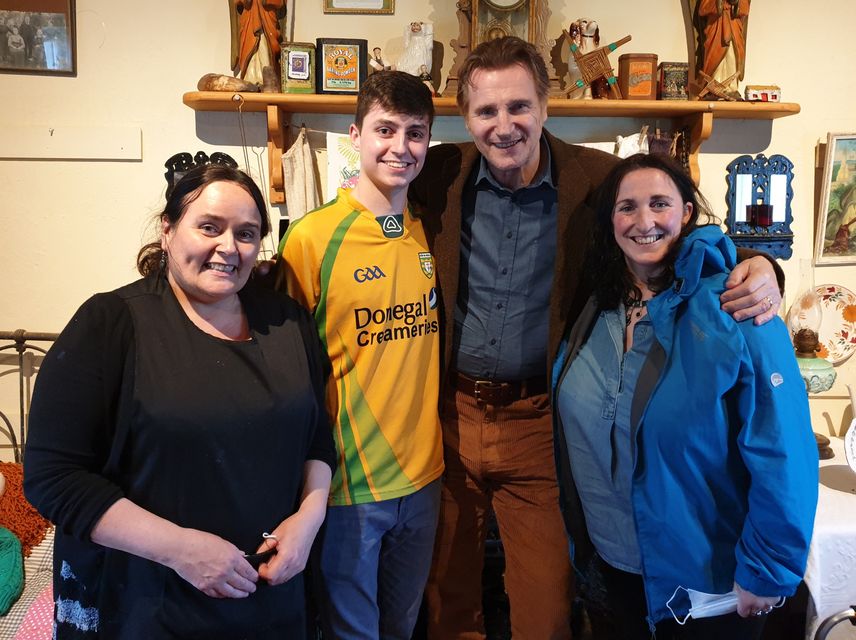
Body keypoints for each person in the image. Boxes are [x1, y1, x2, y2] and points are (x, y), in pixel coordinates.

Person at [407, 35, 784, 639]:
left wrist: (761, 264)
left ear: (545, 105)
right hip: (446, 417)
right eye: (486, 111)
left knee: (549, 609)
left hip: (540, 420)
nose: (504, 126)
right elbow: (369, 208)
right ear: (465, 118)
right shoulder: (439, 173)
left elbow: (669, 229)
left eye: (518, 107)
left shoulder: (597, 178)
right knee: (447, 599)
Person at [24, 164, 336, 639]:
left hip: (272, 599)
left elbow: (317, 438)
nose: (229, 248)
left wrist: (308, 521)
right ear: (168, 230)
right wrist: (180, 550)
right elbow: (54, 478)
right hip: (145, 603)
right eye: (209, 227)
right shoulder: (110, 324)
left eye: (247, 233)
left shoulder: (287, 322)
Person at [552, 152, 818, 639]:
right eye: (626, 207)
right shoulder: (597, 308)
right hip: (613, 572)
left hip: (709, 587)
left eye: (659, 203)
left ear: (687, 213)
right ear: (609, 220)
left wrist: (769, 567)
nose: (644, 221)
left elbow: (783, 446)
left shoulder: (736, 306)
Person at [277, 70, 444, 639]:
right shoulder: (311, 239)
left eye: (416, 133)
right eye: (386, 129)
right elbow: (287, 367)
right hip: (348, 485)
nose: (401, 147)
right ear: (355, 135)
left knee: (401, 627)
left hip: (425, 478)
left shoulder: (429, 231)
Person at [695, 0, 750, 95]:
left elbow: (745, 8)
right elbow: (702, 8)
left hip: (733, 25)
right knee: (716, 54)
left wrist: (736, 2)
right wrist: (718, 2)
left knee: (732, 54)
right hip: (716, 25)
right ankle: (715, 85)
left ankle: (731, 87)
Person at [230, 0, 286, 85]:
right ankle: (250, 77)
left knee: (264, 47)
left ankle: (265, 78)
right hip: (250, 17)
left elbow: (280, 3)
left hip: (267, 17)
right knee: (249, 46)